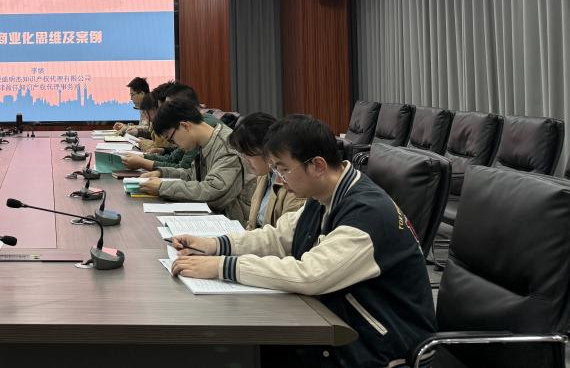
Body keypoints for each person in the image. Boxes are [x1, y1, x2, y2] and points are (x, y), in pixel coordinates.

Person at [168, 115, 436, 367]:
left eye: (283, 169)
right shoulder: (327, 194)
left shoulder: (368, 214)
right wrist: (214, 245)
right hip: (342, 318)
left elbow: (310, 275)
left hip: (380, 343)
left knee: (239, 351)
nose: (280, 180)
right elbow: (279, 237)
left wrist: (222, 266)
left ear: (317, 166)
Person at [137, 98, 254, 222]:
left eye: (171, 139)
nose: (175, 145)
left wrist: (163, 187)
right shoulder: (204, 143)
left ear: (185, 126)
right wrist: (161, 173)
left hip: (233, 223)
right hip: (216, 217)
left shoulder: (228, 147)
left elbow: (213, 193)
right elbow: (191, 176)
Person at [227, 112, 305, 230]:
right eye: (242, 154)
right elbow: (252, 224)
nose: (245, 160)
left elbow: (285, 235)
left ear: (267, 149)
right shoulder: (264, 175)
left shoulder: (293, 183)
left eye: (248, 154)